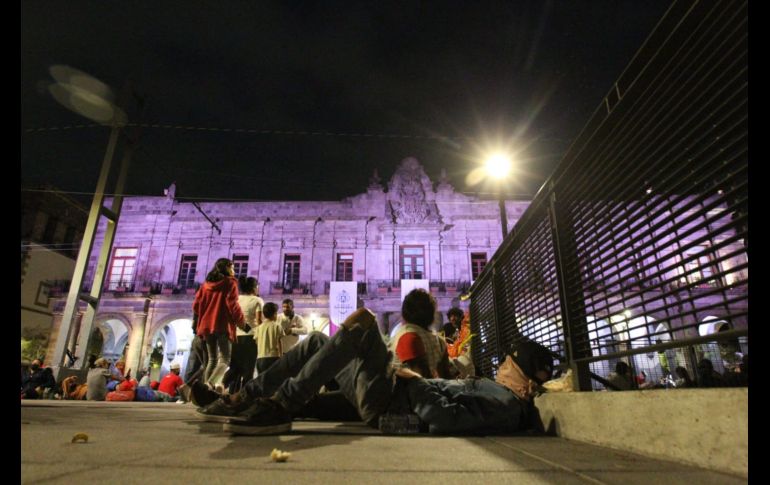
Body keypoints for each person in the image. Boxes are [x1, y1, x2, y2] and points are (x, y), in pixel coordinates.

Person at [196, 289, 547, 436]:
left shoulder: (506, 403)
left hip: (393, 401)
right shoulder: (501, 395)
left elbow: (444, 417)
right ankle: (246, 398)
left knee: (364, 321)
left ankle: (281, 405)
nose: (502, 366)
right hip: (388, 394)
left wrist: (413, 380)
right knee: (318, 340)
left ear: (525, 376)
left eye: (510, 363)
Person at [193, 258, 246, 389]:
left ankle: (204, 393)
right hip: (222, 324)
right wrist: (241, 322)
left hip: (206, 325)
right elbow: (232, 304)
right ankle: (209, 384)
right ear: (226, 268)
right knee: (225, 360)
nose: (234, 270)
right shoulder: (230, 283)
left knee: (212, 359)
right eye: (232, 267)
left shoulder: (205, 285)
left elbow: (196, 306)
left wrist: (198, 321)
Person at [223, 276, 262, 393]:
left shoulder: (237, 299)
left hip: (236, 336)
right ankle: (245, 395)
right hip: (251, 336)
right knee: (248, 369)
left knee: (235, 367)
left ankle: (224, 388)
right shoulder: (257, 300)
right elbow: (259, 321)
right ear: (254, 288)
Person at [255, 302, 284, 374]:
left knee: (262, 381)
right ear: (274, 314)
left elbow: (256, 341)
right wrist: (281, 356)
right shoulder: (277, 326)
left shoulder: (259, 327)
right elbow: (279, 342)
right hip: (273, 357)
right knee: (273, 381)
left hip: (260, 358)